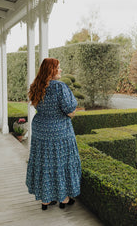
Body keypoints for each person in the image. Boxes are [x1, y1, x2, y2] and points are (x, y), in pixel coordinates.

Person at [26, 58, 81, 210]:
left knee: (44, 163)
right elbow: (70, 111)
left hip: (40, 131)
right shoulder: (60, 87)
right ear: (52, 70)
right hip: (59, 132)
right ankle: (63, 198)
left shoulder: (36, 85)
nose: (61, 70)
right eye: (59, 67)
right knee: (60, 163)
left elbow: (37, 106)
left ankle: (45, 200)